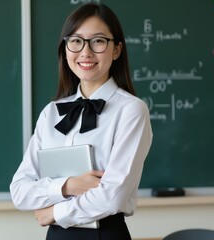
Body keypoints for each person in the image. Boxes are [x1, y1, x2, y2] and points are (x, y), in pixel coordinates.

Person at [10, 3, 152, 240]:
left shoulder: (131, 110)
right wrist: (68, 185)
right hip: (57, 235)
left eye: (98, 41)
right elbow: (20, 191)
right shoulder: (51, 112)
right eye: (76, 41)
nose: (85, 52)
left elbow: (113, 196)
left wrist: (55, 211)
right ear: (66, 49)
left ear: (116, 50)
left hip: (104, 234)